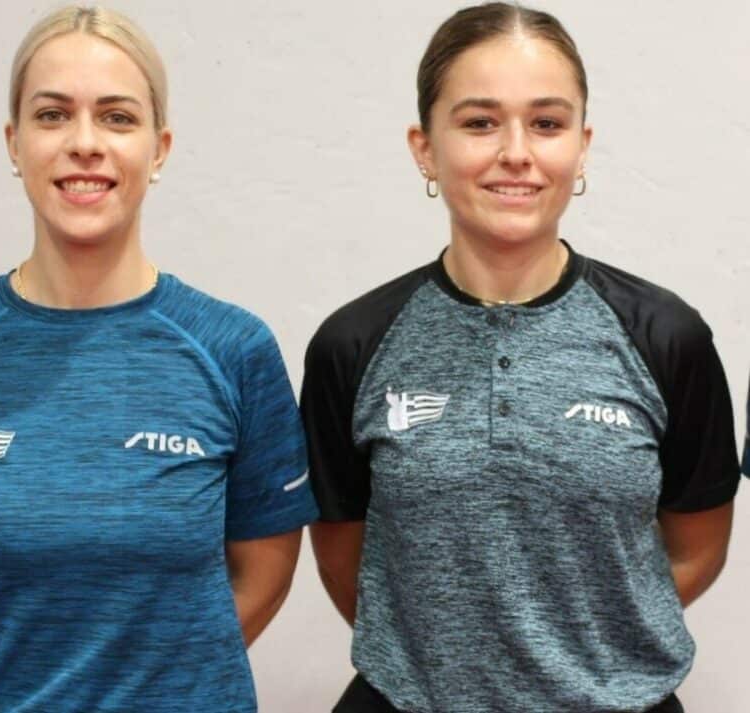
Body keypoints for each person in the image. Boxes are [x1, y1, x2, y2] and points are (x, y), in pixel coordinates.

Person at [0, 7, 317, 712]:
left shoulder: (234, 350)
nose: (85, 144)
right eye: (53, 116)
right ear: (15, 143)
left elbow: (265, 574)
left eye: (117, 117)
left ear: (159, 148)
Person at [301, 4, 740, 712]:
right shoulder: (351, 344)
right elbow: (343, 557)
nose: (516, 152)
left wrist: (578, 656)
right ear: (424, 148)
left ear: (582, 145)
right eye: (479, 122)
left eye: (546, 123)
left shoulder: (668, 336)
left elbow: (697, 548)